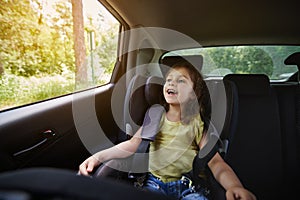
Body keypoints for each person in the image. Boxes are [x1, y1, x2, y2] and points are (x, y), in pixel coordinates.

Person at [78, 61, 256, 200]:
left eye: (181, 80)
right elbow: (132, 145)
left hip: (188, 187)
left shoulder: (197, 124)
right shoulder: (155, 116)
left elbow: (216, 163)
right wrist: (97, 157)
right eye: (169, 80)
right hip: (152, 184)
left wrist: (235, 186)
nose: (172, 83)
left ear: (194, 93)